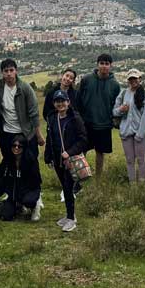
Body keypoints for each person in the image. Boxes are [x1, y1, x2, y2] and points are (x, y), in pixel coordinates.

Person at [46, 90, 87, 232]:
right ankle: (69, 215)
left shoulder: (75, 118)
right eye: (57, 101)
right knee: (65, 187)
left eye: (63, 101)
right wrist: (48, 156)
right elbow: (50, 138)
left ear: (68, 102)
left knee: (69, 187)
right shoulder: (52, 118)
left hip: (70, 159)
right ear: (54, 104)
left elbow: (83, 140)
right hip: (58, 160)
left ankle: (71, 219)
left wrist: (69, 152)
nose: (60, 104)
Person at [75, 54, 121, 178]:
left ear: (111, 66)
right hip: (86, 122)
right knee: (82, 150)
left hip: (104, 124)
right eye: (102, 63)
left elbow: (116, 105)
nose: (104, 66)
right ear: (97, 64)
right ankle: (81, 177)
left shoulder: (115, 85)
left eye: (107, 64)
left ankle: (98, 180)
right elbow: (78, 100)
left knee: (100, 152)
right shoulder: (86, 79)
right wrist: (79, 119)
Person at [0, 136, 43, 221]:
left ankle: (35, 204)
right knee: (5, 216)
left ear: (24, 147)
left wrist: (27, 193)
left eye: (19, 146)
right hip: (14, 192)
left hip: (29, 190)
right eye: (14, 145)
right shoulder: (8, 159)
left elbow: (36, 180)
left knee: (28, 201)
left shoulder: (31, 160)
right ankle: (18, 205)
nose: (16, 148)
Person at [113, 69, 145, 183]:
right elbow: (114, 112)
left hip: (140, 132)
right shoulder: (123, 93)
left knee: (140, 159)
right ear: (128, 80)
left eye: (135, 78)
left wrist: (140, 134)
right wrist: (121, 109)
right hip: (126, 131)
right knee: (129, 160)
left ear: (139, 79)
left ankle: (143, 184)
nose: (133, 81)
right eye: (131, 79)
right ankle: (132, 185)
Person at [0, 58, 43, 155]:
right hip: (7, 133)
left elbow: (34, 112)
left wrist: (38, 135)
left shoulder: (25, 88)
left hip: (25, 133)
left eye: (11, 70)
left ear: (16, 71)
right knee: (8, 161)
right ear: (2, 73)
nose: (9, 73)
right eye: (6, 71)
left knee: (30, 160)